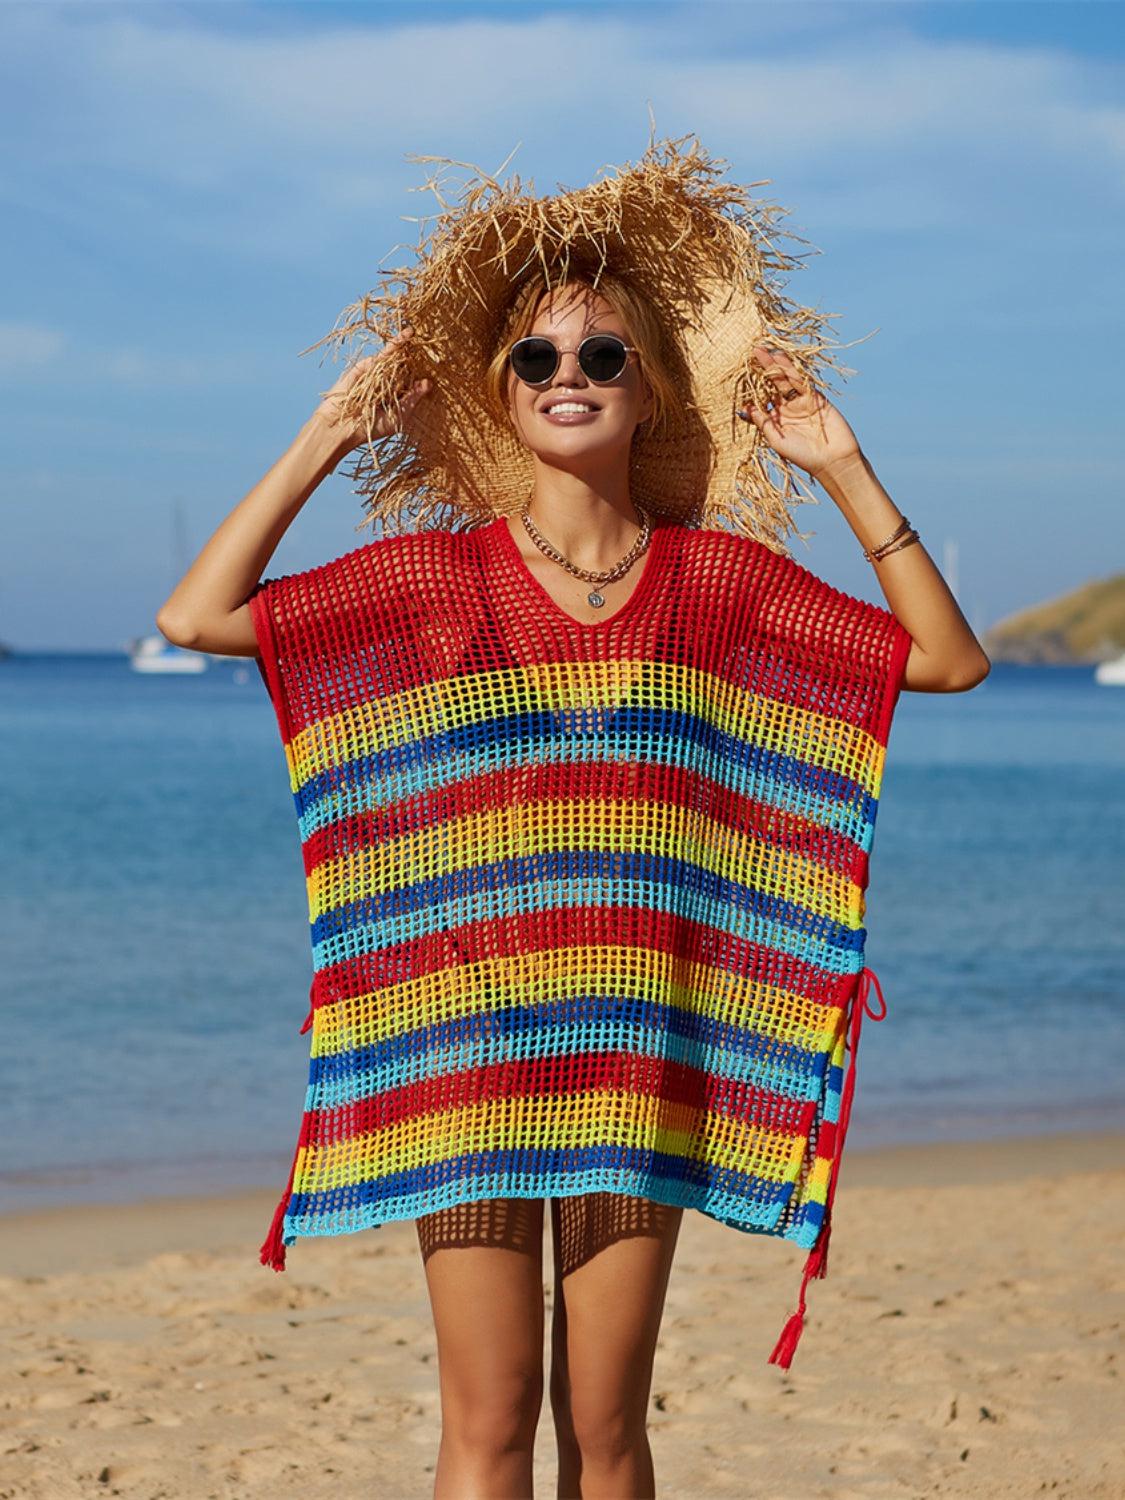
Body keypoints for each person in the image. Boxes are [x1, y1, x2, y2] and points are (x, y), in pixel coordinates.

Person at [157, 140, 989, 1500]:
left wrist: (842, 466)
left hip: (633, 1049)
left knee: (605, 1438)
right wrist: (325, 436)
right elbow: (196, 619)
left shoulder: (717, 585)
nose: (568, 380)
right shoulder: (436, 583)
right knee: (483, 1435)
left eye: (602, 357)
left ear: (648, 388)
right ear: (499, 393)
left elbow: (945, 662)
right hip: (467, 1048)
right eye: (536, 361)